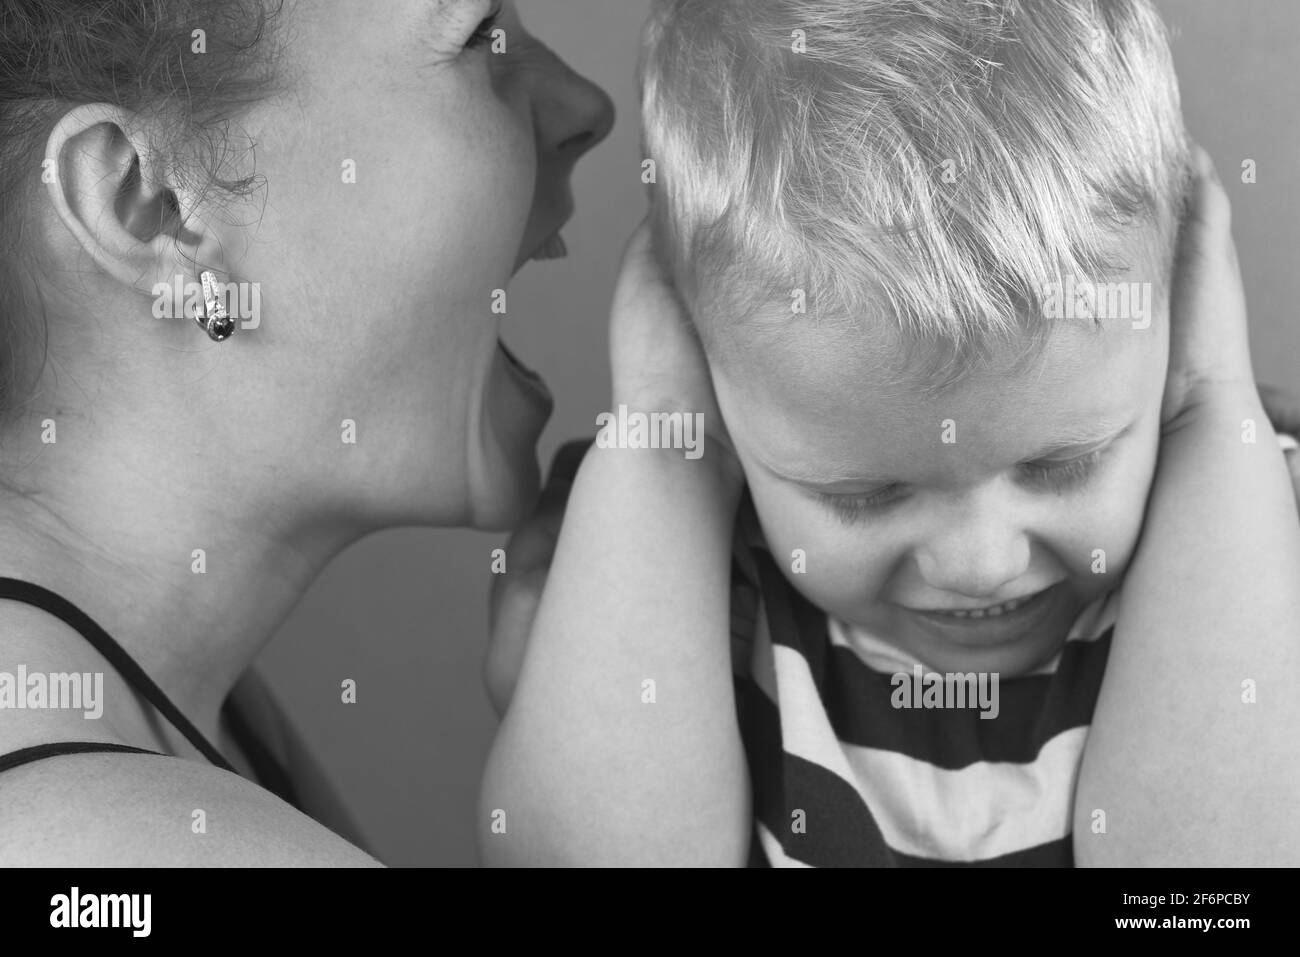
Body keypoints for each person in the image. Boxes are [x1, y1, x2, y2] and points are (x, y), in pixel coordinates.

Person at [480, 0, 1300, 866]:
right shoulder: (662, 565)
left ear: (1174, 320)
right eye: (865, 494)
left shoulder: (1254, 537)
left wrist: (1212, 410)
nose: (981, 563)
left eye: (1066, 465)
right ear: (710, 379)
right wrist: (661, 435)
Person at [0, 0, 613, 866]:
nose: (588, 106)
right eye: (478, 34)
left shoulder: (171, 720)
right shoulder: (121, 844)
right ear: (154, 203)